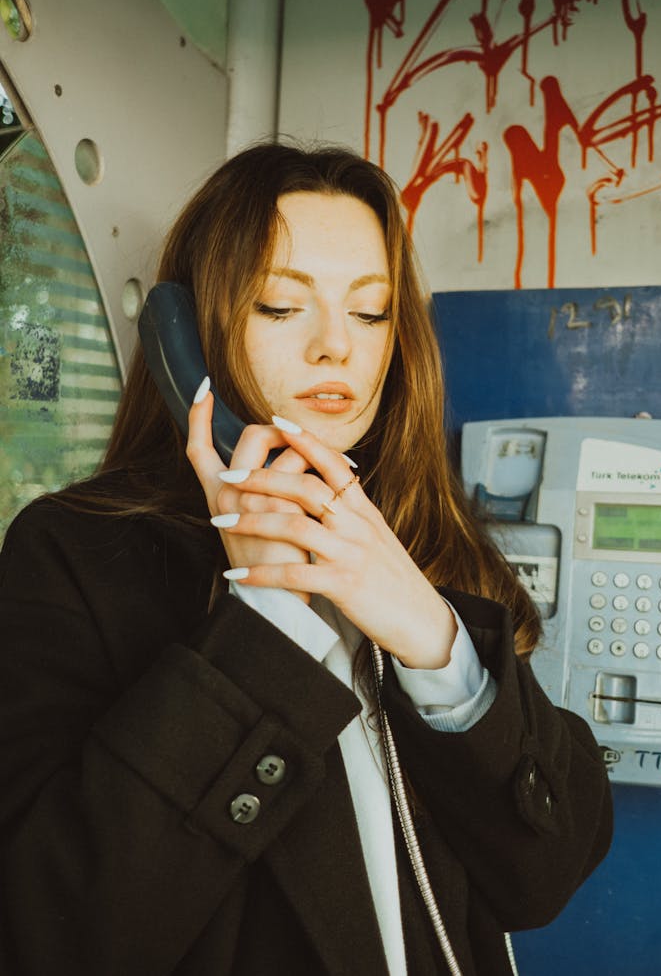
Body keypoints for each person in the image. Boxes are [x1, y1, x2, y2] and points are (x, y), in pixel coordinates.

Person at [0, 143, 612, 975]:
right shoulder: (74, 553)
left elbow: (546, 877)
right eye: (282, 306)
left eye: (371, 313)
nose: (337, 348)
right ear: (189, 331)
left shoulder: (420, 541)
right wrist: (267, 623)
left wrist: (436, 642)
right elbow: (49, 930)